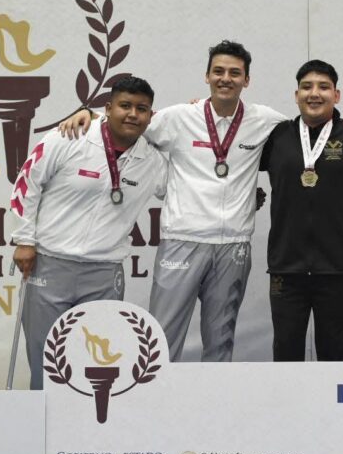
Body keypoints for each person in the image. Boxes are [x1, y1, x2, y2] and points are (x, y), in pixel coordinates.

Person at [59, 41, 286, 362]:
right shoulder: (180, 117)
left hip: (233, 245)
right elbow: (129, 123)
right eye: (218, 71)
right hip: (182, 241)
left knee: (221, 341)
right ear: (206, 76)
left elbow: (304, 131)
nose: (226, 78)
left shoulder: (264, 119)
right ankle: (159, 395)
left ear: (246, 80)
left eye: (235, 73)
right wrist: (91, 114)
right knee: (162, 338)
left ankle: (214, 395)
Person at [10, 76, 167, 389]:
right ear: (107, 108)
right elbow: (27, 183)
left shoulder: (153, 161)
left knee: (96, 364)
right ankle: (41, 416)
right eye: (124, 106)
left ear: (151, 116)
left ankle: (89, 421)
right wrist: (24, 240)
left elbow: (189, 185)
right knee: (46, 360)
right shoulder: (69, 136)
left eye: (141, 109)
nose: (132, 114)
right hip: (50, 265)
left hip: (104, 274)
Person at [260, 60, 343, 361]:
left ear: (337, 94)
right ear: (296, 95)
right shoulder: (278, 136)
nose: (314, 93)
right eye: (306, 87)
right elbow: (234, 161)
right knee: (286, 356)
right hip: (286, 269)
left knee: (336, 358)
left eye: (323, 87)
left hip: (339, 268)